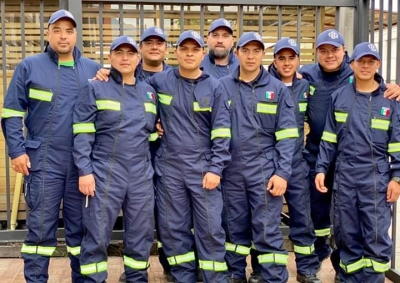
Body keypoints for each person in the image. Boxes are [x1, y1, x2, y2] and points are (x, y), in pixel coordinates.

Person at [0, 9, 100, 283]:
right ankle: (35, 279)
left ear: (76, 35)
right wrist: (17, 150)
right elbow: (11, 112)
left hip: (82, 165)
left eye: (69, 30)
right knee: (40, 230)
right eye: (57, 30)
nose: (63, 36)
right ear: (48, 34)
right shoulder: (29, 67)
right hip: (43, 162)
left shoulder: (93, 70)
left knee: (81, 230)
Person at [299, 29, 400, 281]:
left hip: (374, 177)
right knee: (346, 232)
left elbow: (397, 143)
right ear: (352, 63)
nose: (365, 66)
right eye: (361, 61)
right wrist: (321, 168)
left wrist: (397, 177)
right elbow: (329, 139)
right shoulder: (333, 91)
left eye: (370, 61)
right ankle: (345, 276)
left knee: (376, 234)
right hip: (341, 173)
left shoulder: (389, 100)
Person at [148, 30, 231, 283]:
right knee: (173, 229)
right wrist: (106, 73)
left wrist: (216, 168)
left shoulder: (215, 87)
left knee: (210, 229)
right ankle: (182, 276)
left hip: (203, 169)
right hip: (169, 168)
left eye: (195, 50)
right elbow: (133, 95)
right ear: (176, 52)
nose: (189, 54)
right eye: (184, 49)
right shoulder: (159, 82)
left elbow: (222, 131)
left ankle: (213, 278)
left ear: (202, 54)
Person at [73, 35, 157, 283]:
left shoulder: (149, 93)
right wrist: (84, 171)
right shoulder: (95, 87)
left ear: (138, 58)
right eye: (118, 53)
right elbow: (82, 132)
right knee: (97, 235)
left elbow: (151, 132)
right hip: (104, 172)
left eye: (130, 53)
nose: (124, 58)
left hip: (141, 175)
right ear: (109, 58)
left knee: (141, 236)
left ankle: (136, 279)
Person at [220, 32, 298, 283]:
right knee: (234, 227)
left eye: (256, 51)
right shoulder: (222, 86)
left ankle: (272, 276)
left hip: (265, 171)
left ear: (263, 55)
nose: (251, 56)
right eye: (246, 50)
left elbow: (287, 136)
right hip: (231, 170)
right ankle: (235, 274)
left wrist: (282, 173)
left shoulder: (277, 90)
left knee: (267, 228)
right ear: (237, 53)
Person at [268, 38, 320, 283]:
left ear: (299, 61)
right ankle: (262, 267)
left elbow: (318, 119)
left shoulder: (305, 86)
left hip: (296, 162)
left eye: (291, 58)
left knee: (302, 218)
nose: (286, 63)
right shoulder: (263, 83)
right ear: (274, 61)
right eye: (281, 58)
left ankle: (306, 268)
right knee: (265, 219)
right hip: (268, 163)